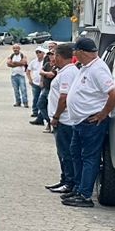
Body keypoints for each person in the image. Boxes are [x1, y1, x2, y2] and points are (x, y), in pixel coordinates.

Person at [54, 37, 115, 209]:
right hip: (80, 121)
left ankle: (85, 195)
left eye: (76, 51)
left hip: (91, 122)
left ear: (82, 52)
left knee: (89, 158)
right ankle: (78, 189)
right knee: (75, 154)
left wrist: (103, 114)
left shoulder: (98, 69)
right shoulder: (87, 67)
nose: (74, 54)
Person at [44, 43, 78, 196]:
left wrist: (56, 116)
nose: (53, 59)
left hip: (64, 120)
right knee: (62, 152)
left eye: (54, 55)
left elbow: (64, 98)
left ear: (59, 56)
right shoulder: (65, 71)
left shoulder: (67, 73)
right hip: (62, 120)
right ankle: (64, 179)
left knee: (66, 153)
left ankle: (69, 182)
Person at [26, 47, 47, 125]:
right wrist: (30, 79)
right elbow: (28, 71)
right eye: (37, 52)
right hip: (35, 83)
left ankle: (41, 115)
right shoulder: (33, 62)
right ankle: (35, 112)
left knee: (41, 101)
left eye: (40, 52)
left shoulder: (45, 62)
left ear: (43, 53)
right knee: (35, 98)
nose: (38, 54)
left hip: (43, 84)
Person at [7, 44, 29, 108]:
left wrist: (14, 63)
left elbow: (24, 62)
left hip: (21, 75)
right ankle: (18, 102)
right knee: (16, 90)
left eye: (17, 48)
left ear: (19, 49)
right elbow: (8, 64)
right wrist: (19, 63)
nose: (15, 49)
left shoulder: (22, 56)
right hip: (13, 76)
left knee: (23, 89)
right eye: (14, 48)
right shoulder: (11, 56)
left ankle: (25, 103)